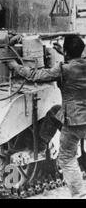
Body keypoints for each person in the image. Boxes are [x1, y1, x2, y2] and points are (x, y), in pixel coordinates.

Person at [8, 35, 86, 198]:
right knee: (53, 113)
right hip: (81, 115)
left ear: (66, 52)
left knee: (66, 159)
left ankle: (79, 194)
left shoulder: (63, 69)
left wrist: (15, 66)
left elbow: (35, 75)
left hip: (74, 122)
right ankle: (43, 143)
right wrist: (64, 53)